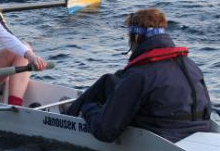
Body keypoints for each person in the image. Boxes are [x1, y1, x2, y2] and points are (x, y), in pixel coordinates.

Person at [66, 8, 212, 143]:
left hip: (164, 134)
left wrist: (89, 108)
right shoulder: (191, 65)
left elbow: (105, 133)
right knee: (108, 80)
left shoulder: (139, 74)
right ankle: (70, 111)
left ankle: (68, 116)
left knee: (93, 103)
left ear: (136, 38)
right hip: (200, 128)